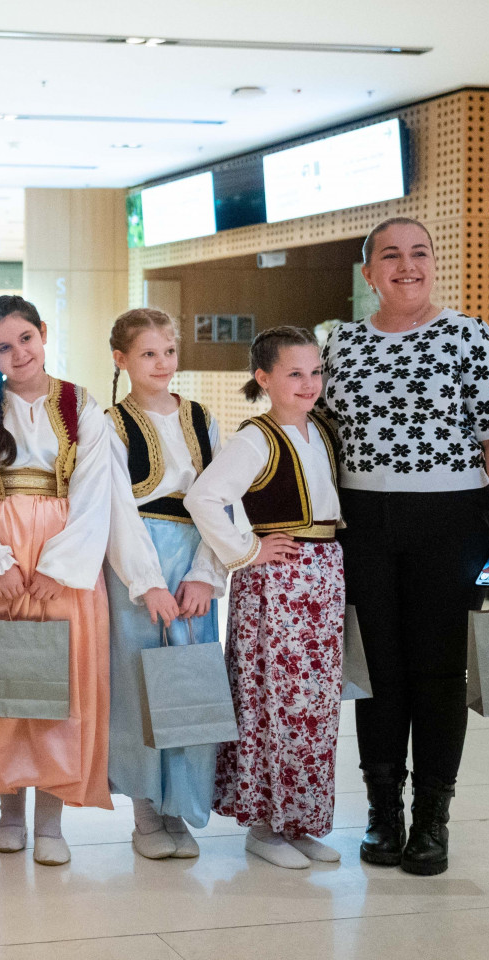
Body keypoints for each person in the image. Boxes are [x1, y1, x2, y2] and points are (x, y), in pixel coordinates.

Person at [320, 216, 489, 876]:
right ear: (368, 273)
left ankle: (432, 818)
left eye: (418, 253)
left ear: (434, 263)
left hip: (450, 520)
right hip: (361, 522)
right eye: (390, 255)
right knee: (376, 672)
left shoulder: (469, 335)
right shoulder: (339, 342)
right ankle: (383, 814)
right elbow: (315, 437)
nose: (405, 265)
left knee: (438, 675)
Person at [0, 296, 134, 865]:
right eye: (3, 346)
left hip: (60, 561)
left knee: (57, 683)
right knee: (1, 680)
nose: (18, 353)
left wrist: (60, 566)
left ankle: (51, 822)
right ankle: (9, 815)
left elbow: (97, 490)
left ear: (43, 333)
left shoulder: (83, 406)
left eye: (25, 338)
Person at [185, 326, 345, 870]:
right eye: (294, 373)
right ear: (264, 378)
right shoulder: (257, 437)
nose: (308, 383)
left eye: (315, 372)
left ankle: (299, 820)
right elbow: (205, 498)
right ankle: (264, 826)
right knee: (274, 699)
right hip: (278, 582)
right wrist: (247, 550)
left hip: (322, 576)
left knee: (313, 705)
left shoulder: (320, 431)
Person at [103, 308, 226, 859]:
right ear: (121, 359)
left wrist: (205, 575)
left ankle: (182, 807)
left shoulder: (202, 418)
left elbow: (222, 501)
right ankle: (147, 815)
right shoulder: (109, 424)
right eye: (148, 353)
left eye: (169, 352)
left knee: (190, 679)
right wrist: (146, 582)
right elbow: (115, 510)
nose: (162, 363)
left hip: (194, 562)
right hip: (139, 563)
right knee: (140, 683)